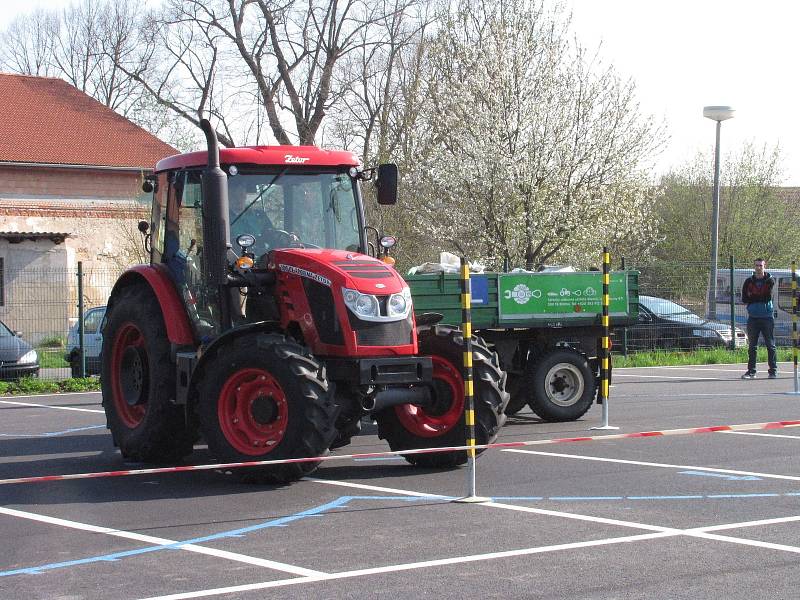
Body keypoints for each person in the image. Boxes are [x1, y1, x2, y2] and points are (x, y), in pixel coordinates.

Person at [741, 257, 777, 379]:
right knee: (752, 346)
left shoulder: (770, 280)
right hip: (753, 318)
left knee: (770, 345)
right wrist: (756, 298)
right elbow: (745, 299)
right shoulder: (748, 281)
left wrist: (754, 297)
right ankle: (751, 371)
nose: (758, 268)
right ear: (754, 266)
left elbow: (767, 296)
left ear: (764, 266)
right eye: (756, 265)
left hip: (767, 317)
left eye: (760, 266)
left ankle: (773, 371)